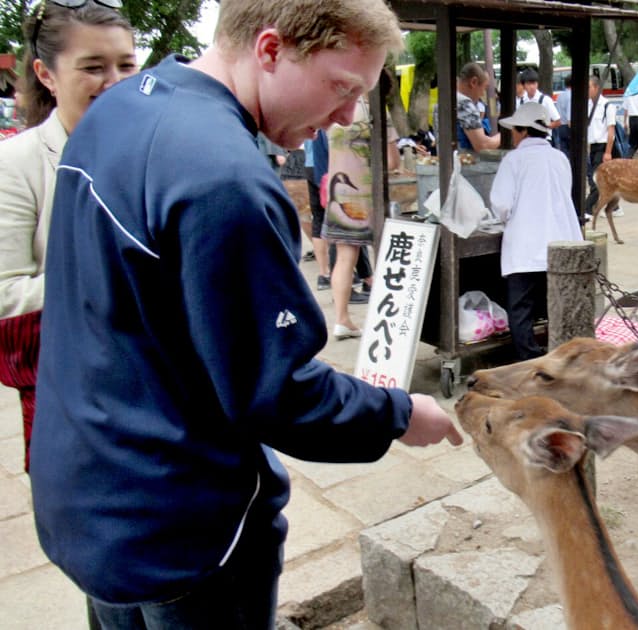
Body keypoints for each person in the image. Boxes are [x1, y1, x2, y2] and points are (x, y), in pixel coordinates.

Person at [30, 1, 463, 626]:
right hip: (182, 525)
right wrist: (399, 415)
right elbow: (276, 392)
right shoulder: (224, 180)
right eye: (342, 88)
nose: (347, 114)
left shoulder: (119, 109)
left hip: (90, 488)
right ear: (269, 50)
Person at [0, 0, 136, 473]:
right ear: (46, 74)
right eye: (93, 68)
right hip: (76, 404)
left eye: (127, 65)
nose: (116, 82)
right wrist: (114, 278)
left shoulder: (154, 149)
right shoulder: (17, 164)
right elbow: (5, 295)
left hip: (165, 393)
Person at [489, 102, 582, 360]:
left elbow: (501, 204)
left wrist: (502, 218)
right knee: (557, 308)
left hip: (526, 248)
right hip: (561, 245)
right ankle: (559, 359)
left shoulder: (514, 159)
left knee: (521, 311)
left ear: (523, 131)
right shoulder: (559, 157)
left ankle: (529, 362)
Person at [324, 95, 397, 339]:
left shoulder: (334, 106)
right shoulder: (374, 110)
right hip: (366, 193)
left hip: (338, 193)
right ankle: (386, 322)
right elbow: (392, 160)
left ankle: (342, 319)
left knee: (345, 258)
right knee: (383, 255)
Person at [582, 74, 617, 223]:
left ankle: (587, 209)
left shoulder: (607, 106)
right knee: (595, 178)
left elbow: (611, 131)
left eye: (589, 87)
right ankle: (612, 205)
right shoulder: (589, 105)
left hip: (603, 147)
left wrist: (608, 152)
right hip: (593, 146)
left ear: (596, 88)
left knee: (597, 179)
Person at [305, 130, 333, 290]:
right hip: (324, 167)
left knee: (318, 219)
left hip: (310, 165)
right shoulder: (324, 118)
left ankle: (324, 273)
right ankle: (339, 271)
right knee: (334, 219)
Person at [456, 62, 500, 152]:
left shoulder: (445, 100)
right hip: (463, 163)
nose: (482, 94)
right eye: (484, 88)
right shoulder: (464, 104)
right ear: (473, 82)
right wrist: (508, 133)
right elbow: (483, 145)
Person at [515, 68, 560, 134]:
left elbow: (557, 121)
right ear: (523, 85)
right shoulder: (521, 102)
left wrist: (543, 126)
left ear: (537, 83)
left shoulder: (545, 100)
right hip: (526, 139)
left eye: (534, 83)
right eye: (529, 84)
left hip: (544, 138)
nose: (532, 87)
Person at [552, 73, 572, 154]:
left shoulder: (560, 96)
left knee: (564, 151)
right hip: (569, 126)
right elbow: (570, 115)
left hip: (561, 127)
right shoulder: (572, 96)